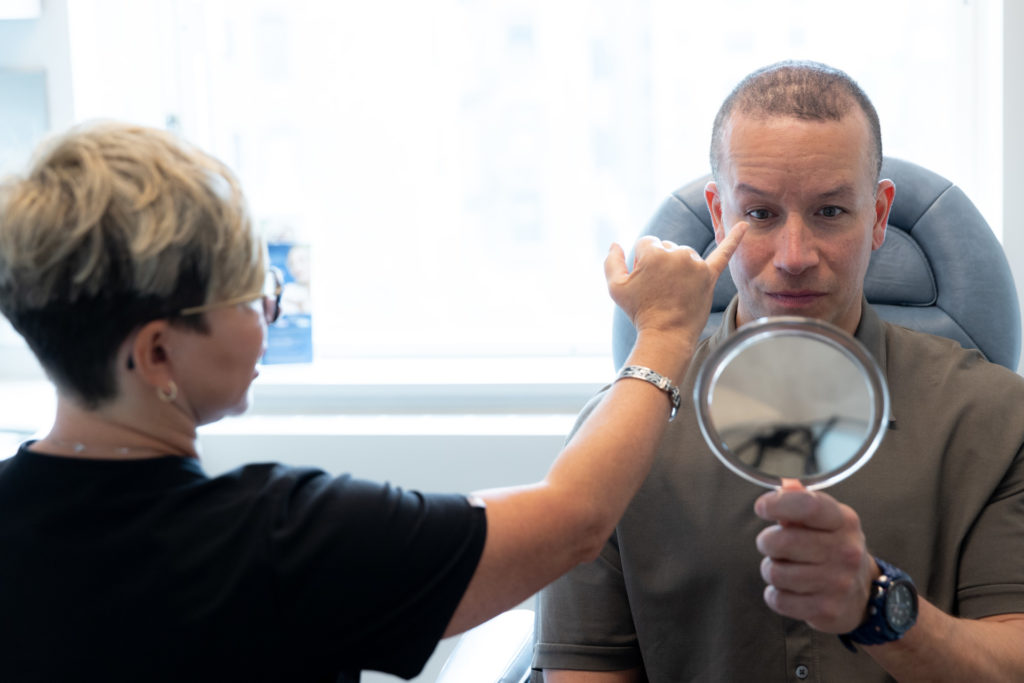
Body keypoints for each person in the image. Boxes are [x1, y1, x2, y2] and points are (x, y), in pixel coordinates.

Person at [0, 122, 745, 682]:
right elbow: (573, 520)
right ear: (159, 351)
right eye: (253, 297)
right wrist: (667, 332)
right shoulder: (284, 542)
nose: (270, 313)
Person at [532, 61, 1024, 682]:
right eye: (760, 215)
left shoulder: (999, 420)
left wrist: (878, 608)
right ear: (717, 217)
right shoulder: (618, 436)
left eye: (831, 213)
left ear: (877, 216)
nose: (794, 258)